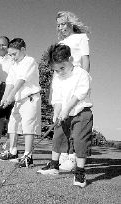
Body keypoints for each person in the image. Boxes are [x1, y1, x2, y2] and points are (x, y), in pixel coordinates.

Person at [37, 43, 93, 188]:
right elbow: (57, 97)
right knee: (58, 136)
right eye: (56, 70)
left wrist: (67, 108)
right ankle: (54, 166)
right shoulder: (57, 77)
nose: (60, 72)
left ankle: (80, 172)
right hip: (64, 114)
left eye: (62, 68)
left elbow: (79, 94)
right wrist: (57, 112)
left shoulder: (81, 74)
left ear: (71, 59)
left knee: (80, 141)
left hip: (81, 113)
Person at [54, 11, 91, 171]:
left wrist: (84, 78)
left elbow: (85, 60)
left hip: (76, 79)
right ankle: (63, 155)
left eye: (63, 24)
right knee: (62, 117)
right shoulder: (62, 41)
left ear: (71, 23)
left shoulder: (81, 38)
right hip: (62, 78)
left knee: (75, 117)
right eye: (58, 25)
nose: (61, 27)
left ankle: (72, 156)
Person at [0, 38, 41, 167]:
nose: (12, 57)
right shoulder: (14, 65)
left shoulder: (29, 61)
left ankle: (28, 156)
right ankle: (13, 151)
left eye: (14, 54)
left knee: (28, 127)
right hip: (18, 99)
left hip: (30, 98)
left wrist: (10, 96)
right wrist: (4, 98)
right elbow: (10, 83)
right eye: (10, 55)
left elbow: (20, 81)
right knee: (12, 125)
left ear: (23, 50)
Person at [0, 36, 14, 152]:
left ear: (8, 45)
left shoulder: (12, 58)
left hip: (10, 87)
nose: (1, 47)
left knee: (10, 117)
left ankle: (9, 142)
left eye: (4, 45)